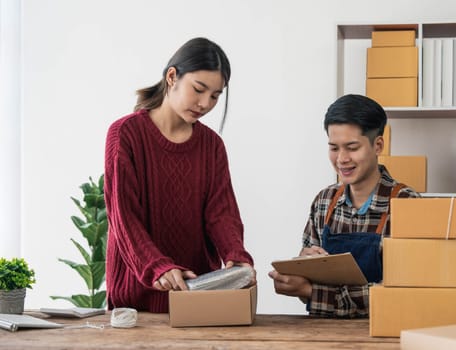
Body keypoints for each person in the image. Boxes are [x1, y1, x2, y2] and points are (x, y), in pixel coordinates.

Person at [104, 37, 256, 313]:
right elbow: (123, 216)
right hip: (137, 299)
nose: (205, 103)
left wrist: (236, 256)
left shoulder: (212, 146)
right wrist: (156, 266)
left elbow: (221, 214)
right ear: (172, 76)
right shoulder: (125, 134)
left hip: (196, 294)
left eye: (215, 95)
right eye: (198, 89)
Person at [268, 94, 420, 318]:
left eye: (352, 147)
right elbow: (306, 288)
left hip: (383, 333)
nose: (341, 159)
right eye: (334, 148)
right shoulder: (324, 202)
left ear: (378, 145)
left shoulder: (408, 204)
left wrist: (312, 292)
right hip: (324, 333)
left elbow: (402, 293)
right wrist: (300, 271)